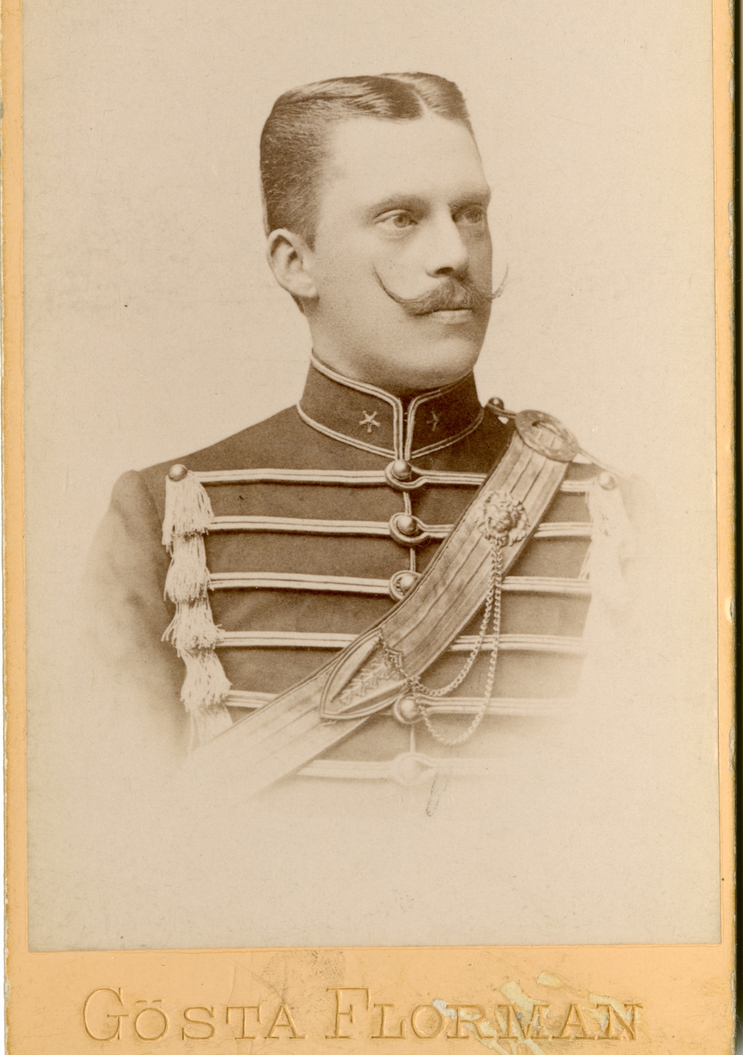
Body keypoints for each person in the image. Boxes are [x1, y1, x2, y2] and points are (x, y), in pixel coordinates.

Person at [87, 72, 630, 791]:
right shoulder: (164, 519)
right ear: (296, 263)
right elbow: (116, 827)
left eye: (470, 213)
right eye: (401, 218)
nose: (455, 254)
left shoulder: (612, 516)